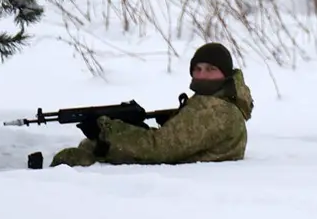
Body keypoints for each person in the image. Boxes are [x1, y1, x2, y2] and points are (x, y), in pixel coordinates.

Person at [50, 42, 253, 168]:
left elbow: (158, 148)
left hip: (183, 189)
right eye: (197, 69)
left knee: (76, 157)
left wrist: (108, 129)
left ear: (225, 74)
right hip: (190, 178)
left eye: (210, 69)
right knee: (88, 148)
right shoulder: (222, 102)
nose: (201, 75)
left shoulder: (215, 109)